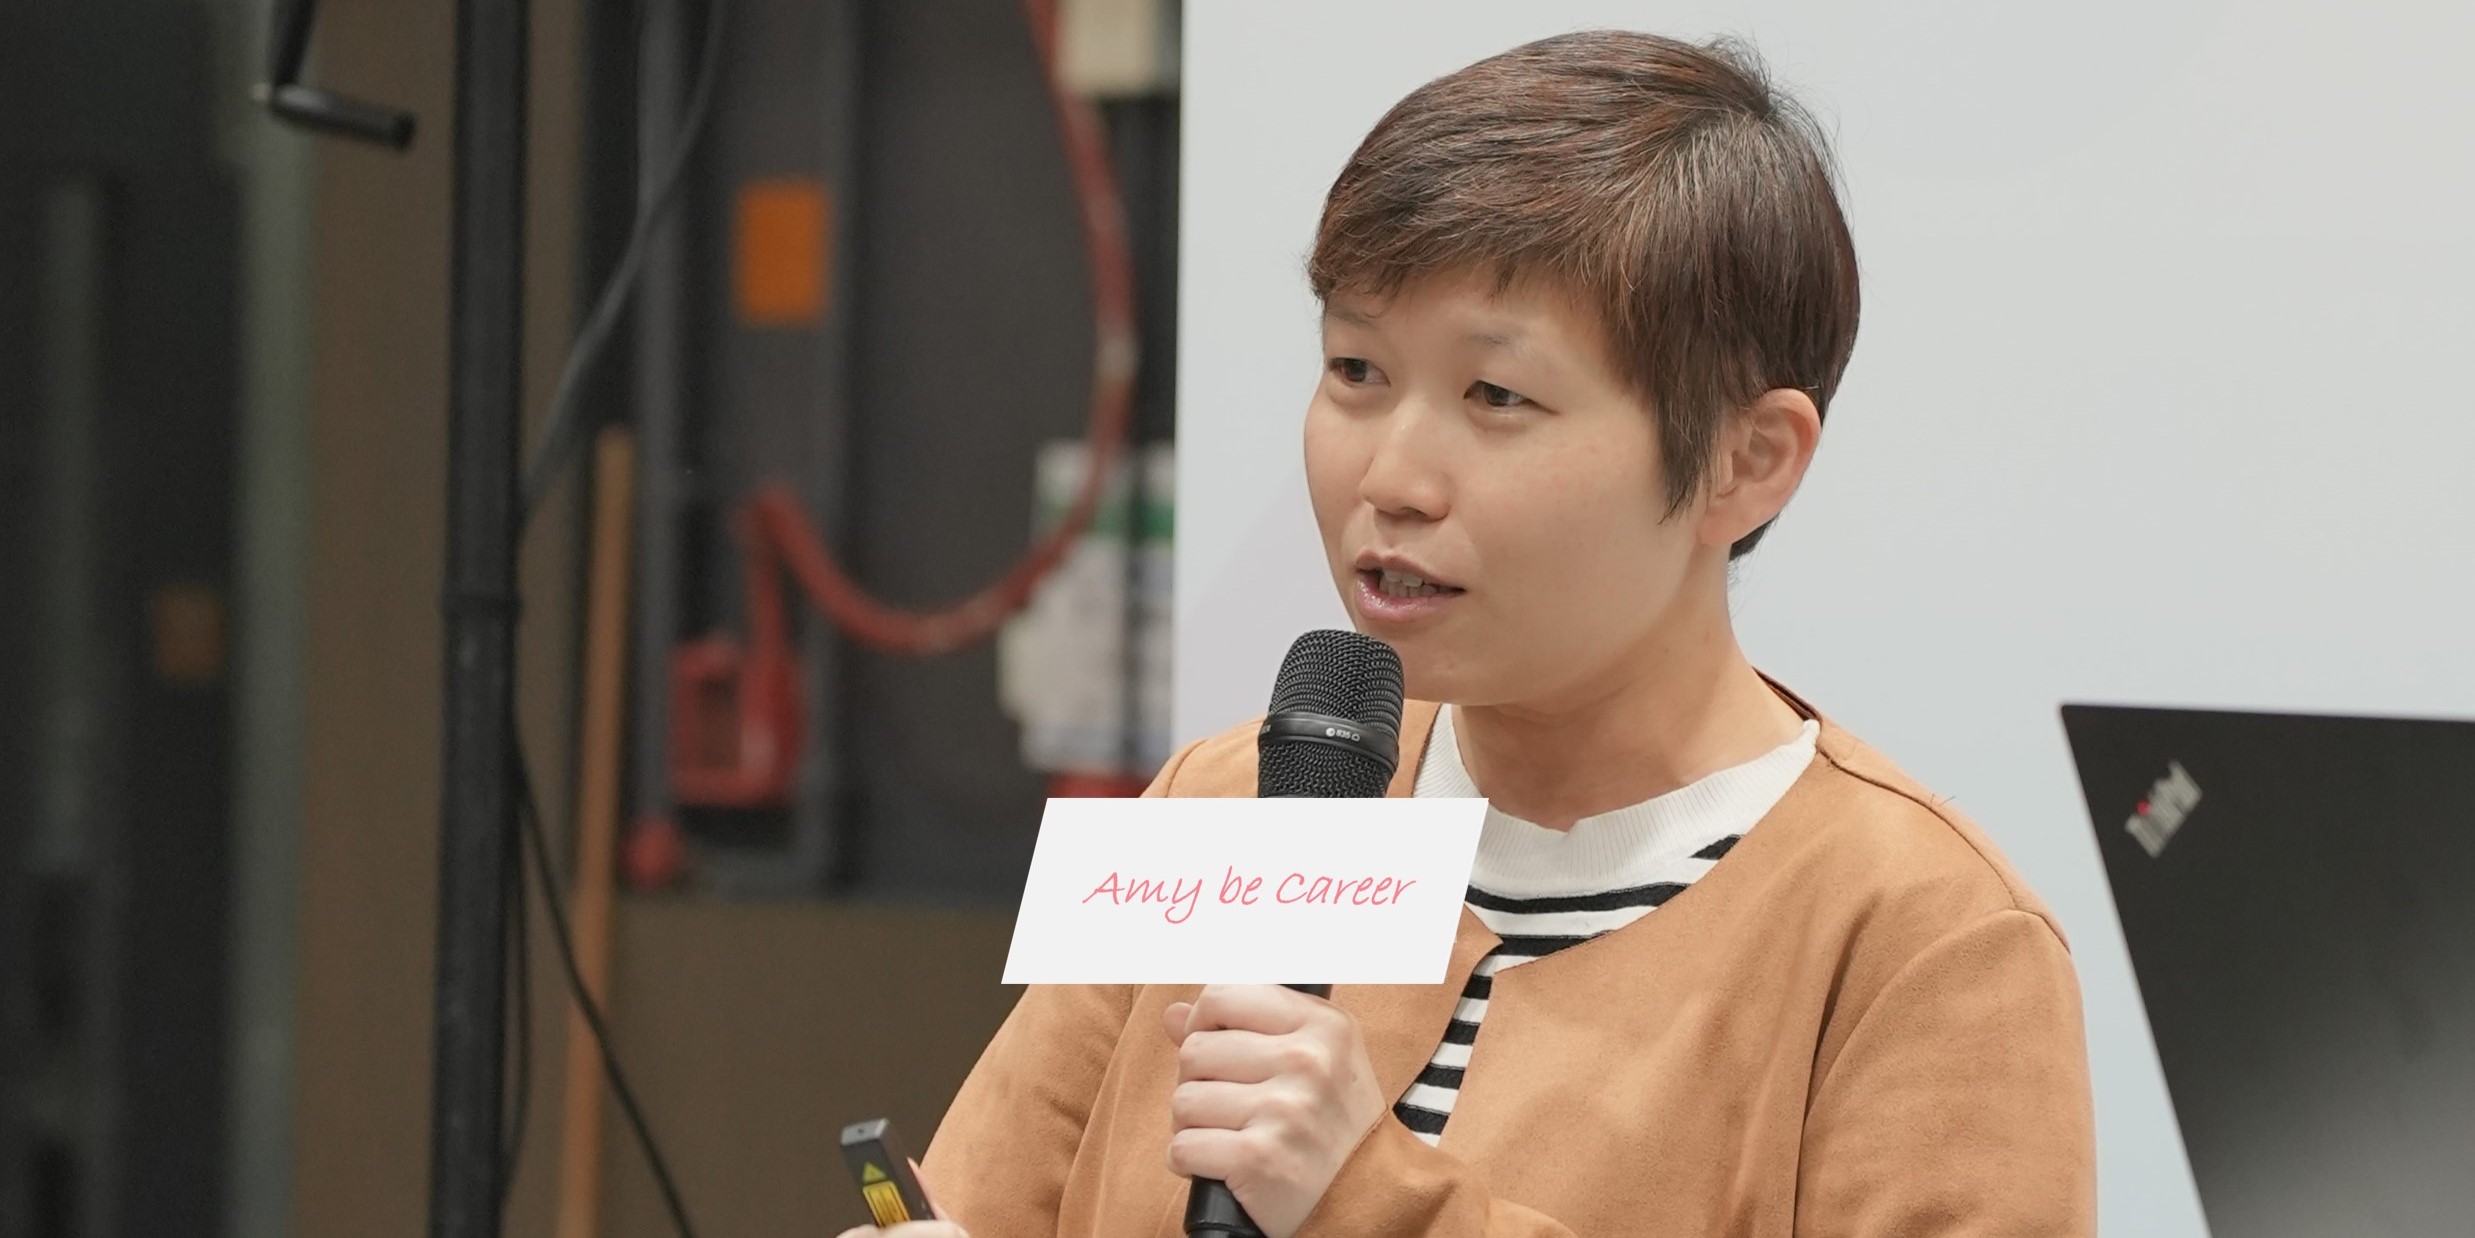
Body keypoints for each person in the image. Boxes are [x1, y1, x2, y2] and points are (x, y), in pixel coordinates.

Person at [844, 29, 2094, 1238]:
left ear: (1747, 459)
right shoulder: (1220, 807)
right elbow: (988, 1202)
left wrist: (1368, 1196)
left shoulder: (1928, 940)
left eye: (1497, 394)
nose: (1390, 476)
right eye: (1355, 370)